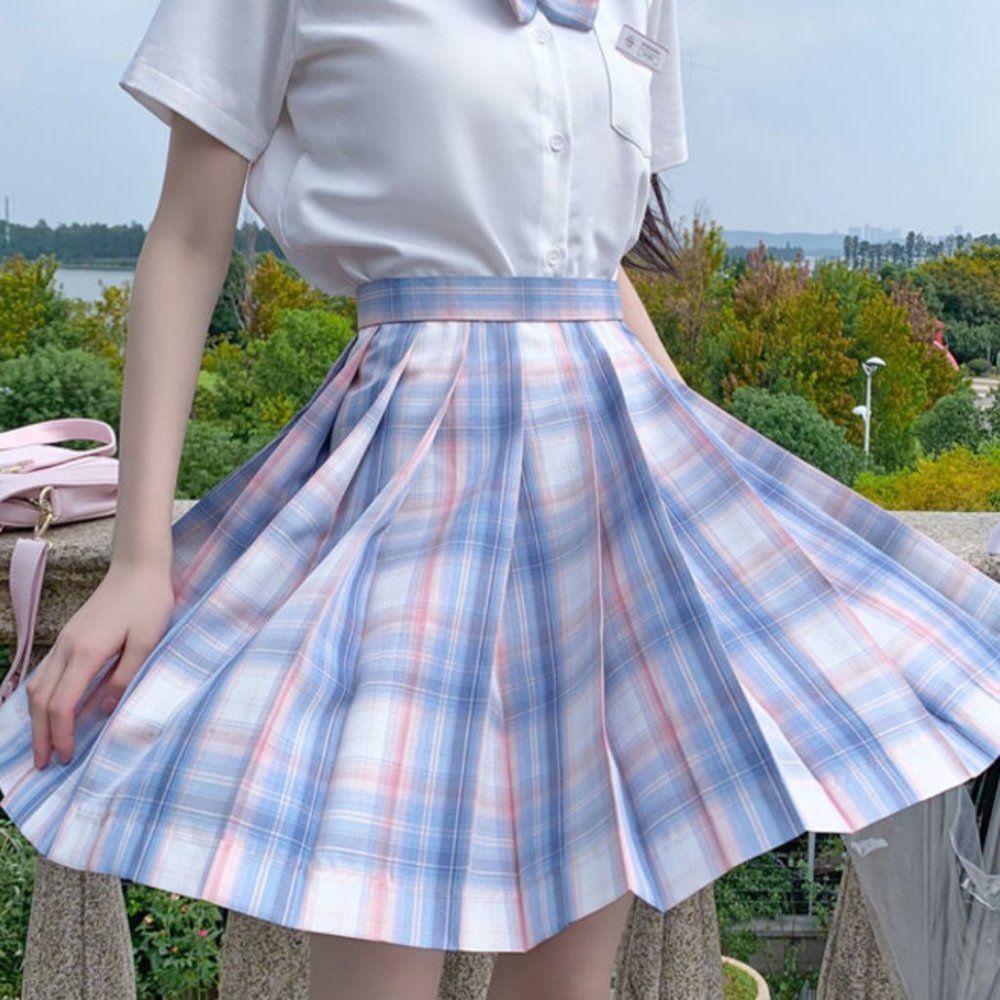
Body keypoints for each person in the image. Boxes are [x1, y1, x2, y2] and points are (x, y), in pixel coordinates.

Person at [0, 1, 998, 998]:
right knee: (373, 954)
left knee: (566, 983)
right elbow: (185, 240)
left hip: (594, 494)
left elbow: (584, 255)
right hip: (407, 481)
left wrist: (697, 468)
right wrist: (141, 558)